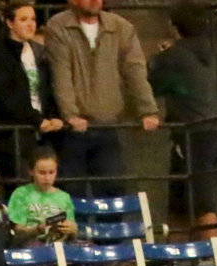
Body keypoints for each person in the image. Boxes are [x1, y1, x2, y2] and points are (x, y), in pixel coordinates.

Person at [45, 0, 159, 198]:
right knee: (72, 191)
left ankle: (112, 228)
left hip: (109, 124)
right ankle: (73, 230)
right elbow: (61, 73)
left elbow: (135, 71)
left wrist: (147, 110)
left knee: (113, 188)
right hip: (73, 129)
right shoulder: (59, 26)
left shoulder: (120, 27)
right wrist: (70, 114)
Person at [149, 3, 217, 238]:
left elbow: (153, 83)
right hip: (213, 130)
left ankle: (211, 261)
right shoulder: (208, 51)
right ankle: (187, 260)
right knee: (182, 200)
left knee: (203, 203)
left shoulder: (174, 56)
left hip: (193, 134)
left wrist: (160, 55)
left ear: (174, 26)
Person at [0, 3, 64, 185]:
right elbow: (5, 97)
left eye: (33, 19)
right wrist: (35, 119)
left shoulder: (38, 53)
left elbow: (46, 89)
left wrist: (53, 116)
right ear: (10, 23)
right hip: (12, 138)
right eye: (24, 19)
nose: (30, 24)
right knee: (21, 189)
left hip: (41, 133)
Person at [7, 147, 77, 245]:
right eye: (42, 173)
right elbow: (17, 231)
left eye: (51, 172)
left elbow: (71, 226)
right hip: (31, 242)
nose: (47, 178)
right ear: (31, 171)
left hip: (59, 242)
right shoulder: (21, 194)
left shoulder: (64, 197)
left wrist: (72, 229)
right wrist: (38, 229)